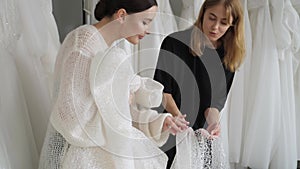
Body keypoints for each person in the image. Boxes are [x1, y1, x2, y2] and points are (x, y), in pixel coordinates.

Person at [38, 0, 189, 168]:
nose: (149, 31)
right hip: (80, 156)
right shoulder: (83, 43)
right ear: (122, 15)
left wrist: (159, 121)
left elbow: (118, 115)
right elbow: (70, 116)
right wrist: (122, 98)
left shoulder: (109, 50)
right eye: (145, 22)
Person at [153, 0, 245, 168]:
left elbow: (214, 105)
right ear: (203, 13)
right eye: (212, 18)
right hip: (171, 130)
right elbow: (163, 92)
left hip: (200, 138)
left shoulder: (228, 57)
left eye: (224, 23)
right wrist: (179, 119)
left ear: (232, 25)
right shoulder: (174, 43)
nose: (215, 27)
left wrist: (214, 124)